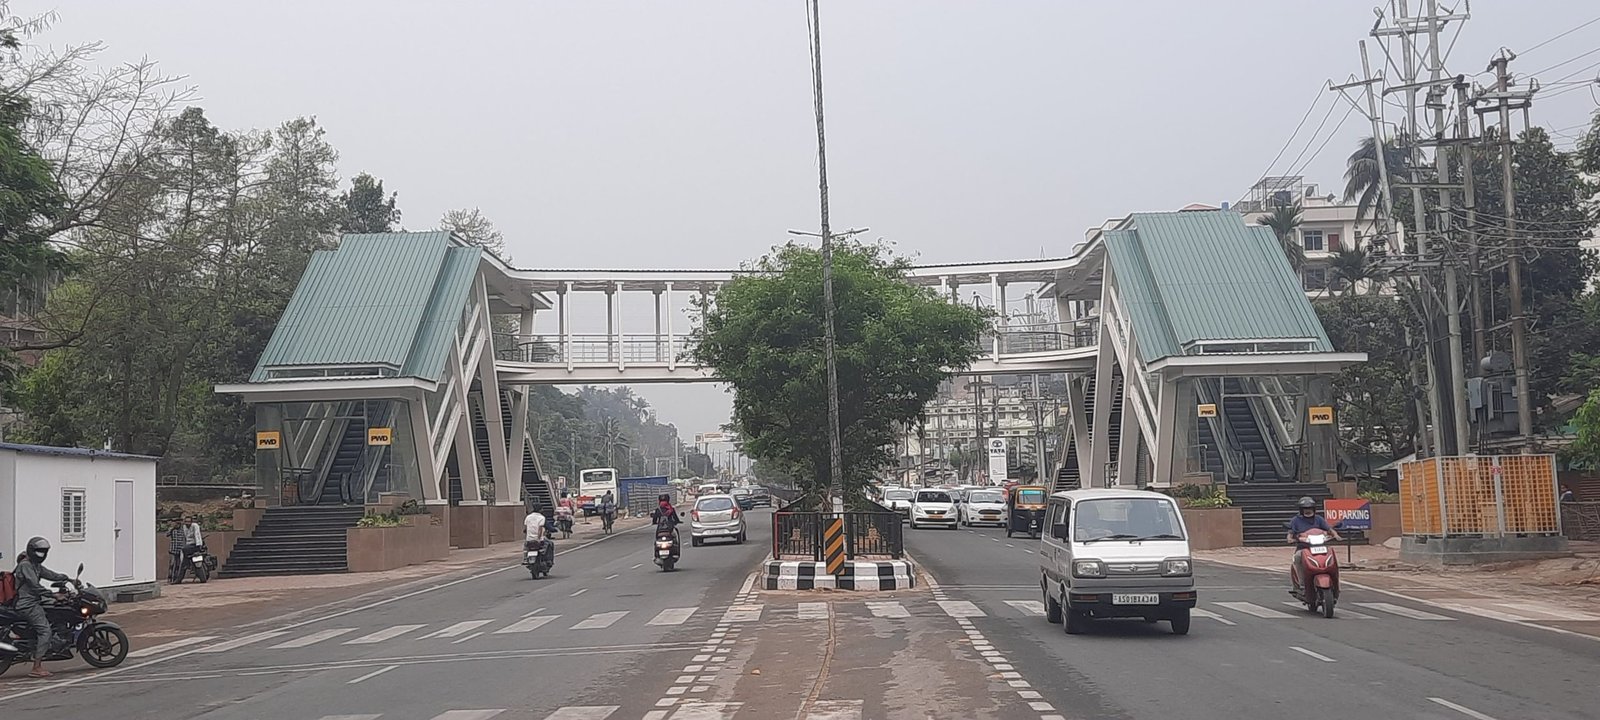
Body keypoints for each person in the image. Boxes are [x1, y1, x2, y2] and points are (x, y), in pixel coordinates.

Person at [13, 537, 72, 678]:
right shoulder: (26, 565)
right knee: (45, 631)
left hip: (34, 601)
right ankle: (36, 667)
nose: (42, 554)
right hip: (27, 604)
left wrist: (67, 579)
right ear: (32, 551)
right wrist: (53, 595)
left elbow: (50, 574)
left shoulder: (35, 565)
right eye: (40, 551)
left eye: (44, 551)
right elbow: (35, 586)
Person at [1286, 496, 1341, 591]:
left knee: (1332, 557)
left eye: (1310, 508)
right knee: (1298, 557)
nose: (1308, 511)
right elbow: (1290, 533)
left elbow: (1329, 529)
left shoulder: (1319, 519)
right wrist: (1290, 539)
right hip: (1304, 547)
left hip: (1321, 546)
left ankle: (1336, 583)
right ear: (1301, 510)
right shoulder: (1296, 520)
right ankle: (1302, 583)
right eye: (1305, 509)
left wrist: (1336, 535)